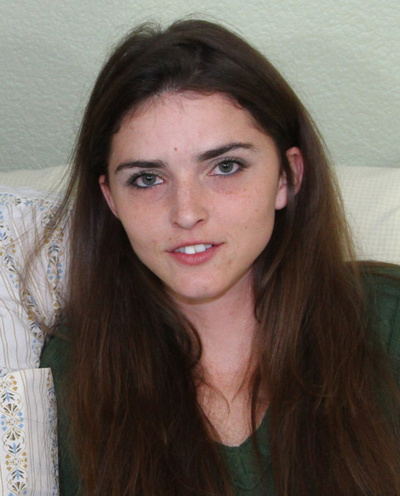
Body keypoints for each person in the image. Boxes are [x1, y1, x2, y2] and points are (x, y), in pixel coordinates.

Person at [38, 19, 400, 496]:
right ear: (111, 200)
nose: (187, 213)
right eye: (147, 179)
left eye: (225, 167)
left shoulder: (387, 319)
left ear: (287, 177)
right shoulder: (68, 367)